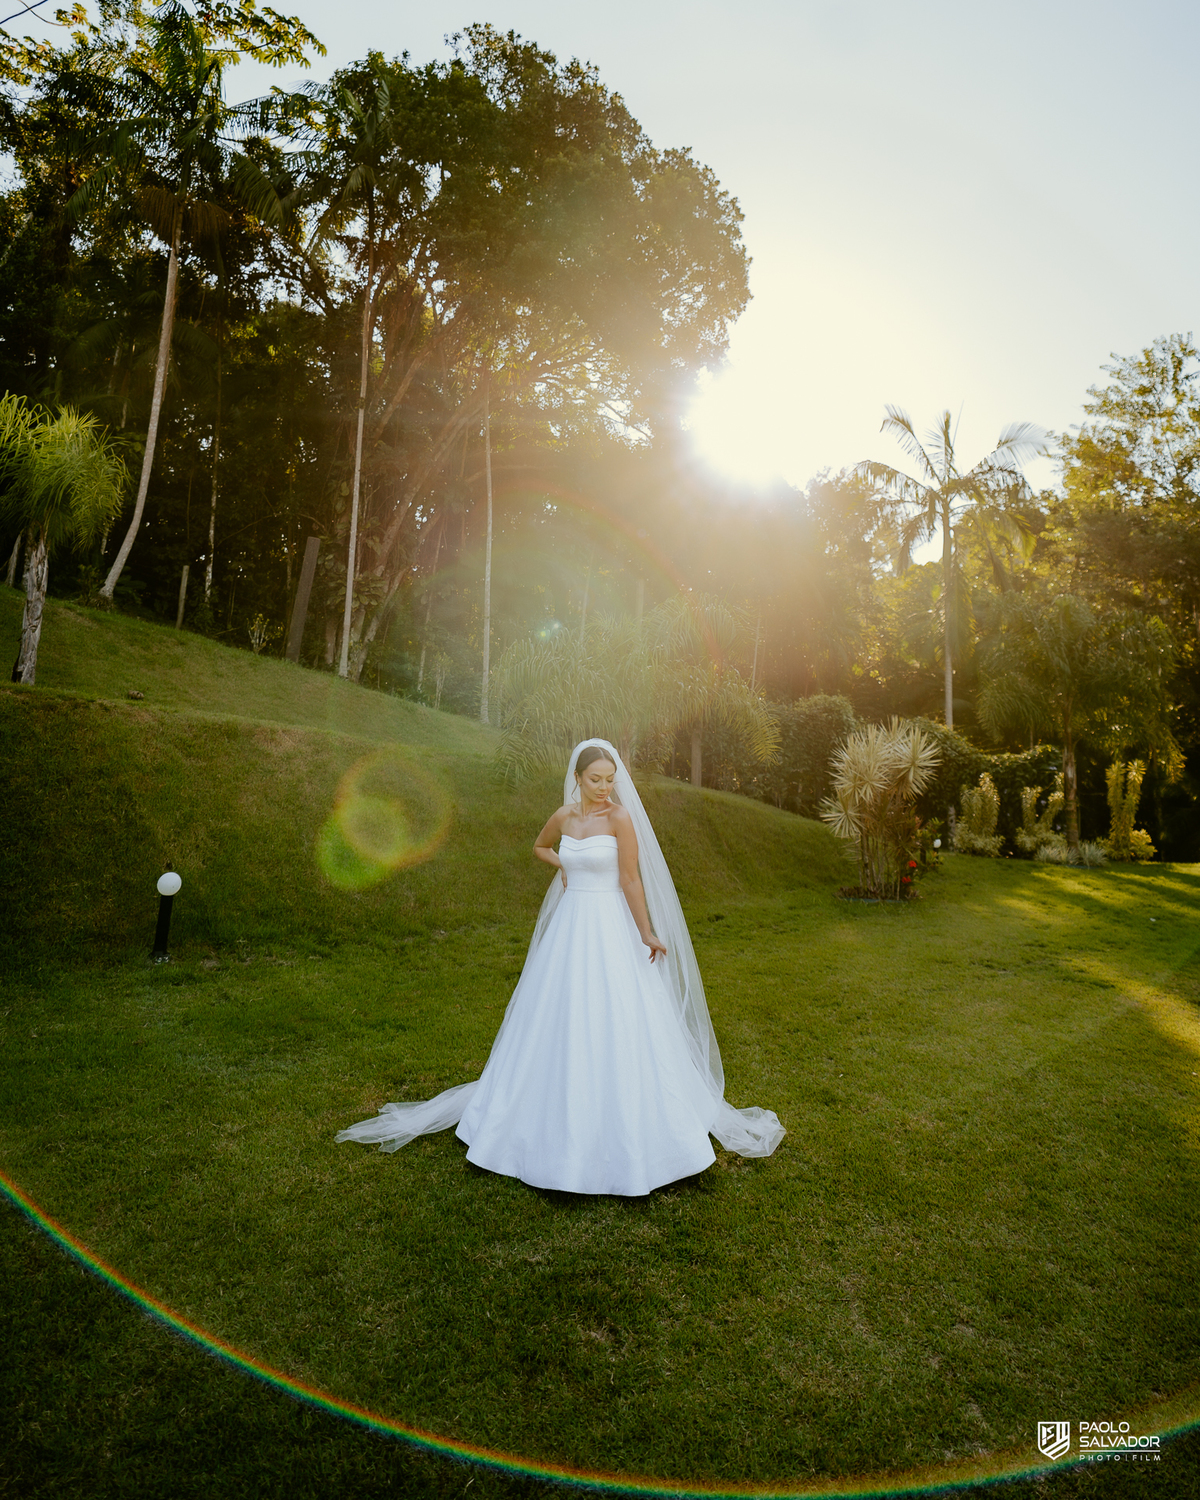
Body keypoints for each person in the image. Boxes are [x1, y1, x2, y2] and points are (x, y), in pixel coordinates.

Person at [335, 737, 784, 1195]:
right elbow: (540, 846)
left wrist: (646, 932)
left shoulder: (620, 818)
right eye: (596, 779)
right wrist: (562, 864)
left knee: (616, 1017)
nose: (605, 787)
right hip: (571, 928)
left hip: (611, 926)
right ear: (578, 778)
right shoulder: (565, 817)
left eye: (610, 779)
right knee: (556, 1014)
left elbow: (630, 878)